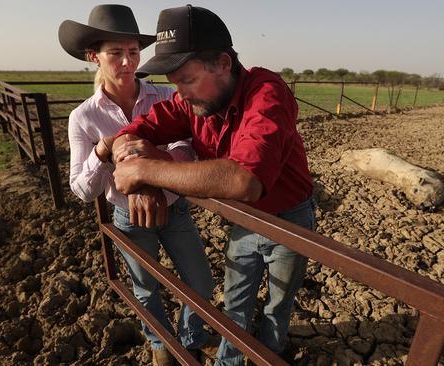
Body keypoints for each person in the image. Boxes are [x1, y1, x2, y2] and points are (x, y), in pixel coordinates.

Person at [111, 5, 316, 365]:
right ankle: (230, 361)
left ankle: (270, 353)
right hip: (244, 219)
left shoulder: (266, 93)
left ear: (223, 63)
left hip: (288, 218)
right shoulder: (192, 102)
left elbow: (243, 180)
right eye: (175, 83)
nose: (181, 93)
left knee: (278, 303)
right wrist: (134, 169)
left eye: (187, 80)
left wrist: (145, 172)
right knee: (235, 297)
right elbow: (132, 132)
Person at [58, 5, 214, 365]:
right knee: (145, 289)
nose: (127, 63)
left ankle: (190, 337)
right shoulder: (84, 117)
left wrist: (147, 178)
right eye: (115, 54)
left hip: (173, 206)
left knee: (201, 283)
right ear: (93, 57)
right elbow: (82, 190)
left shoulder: (162, 97)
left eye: (133, 52)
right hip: (128, 215)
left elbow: (185, 150)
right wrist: (102, 149)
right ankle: (161, 345)